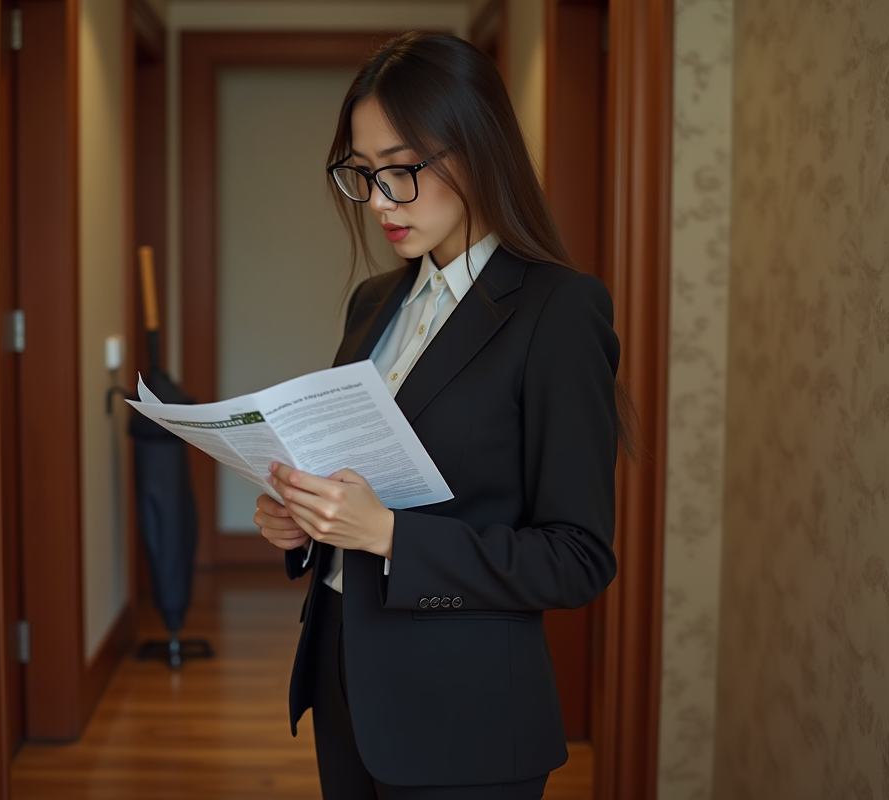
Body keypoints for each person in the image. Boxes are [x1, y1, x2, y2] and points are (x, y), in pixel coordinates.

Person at [253, 31, 625, 800]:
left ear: (477, 151)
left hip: (466, 717)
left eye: (402, 171)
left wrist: (387, 534)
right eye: (363, 174)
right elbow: (354, 481)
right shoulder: (374, 303)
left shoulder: (558, 311)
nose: (381, 202)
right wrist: (306, 522)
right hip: (343, 676)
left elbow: (577, 556)